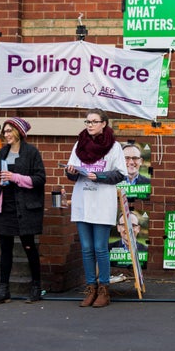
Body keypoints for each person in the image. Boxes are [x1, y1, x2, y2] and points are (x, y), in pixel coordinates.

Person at [65, 109, 127, 308]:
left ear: (104, 124)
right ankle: (90, 287)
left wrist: (99, 176)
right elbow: (71, 174)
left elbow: (120, 174)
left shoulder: (114, 147)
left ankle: (104, 289)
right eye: (87, 121)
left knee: (100, 248)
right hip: (83, 200)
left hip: (102, 201)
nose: (90, 125)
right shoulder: (79, 144)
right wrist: (72, 172)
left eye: (94, 121)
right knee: (86, 248)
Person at [0, 118, 46, 305]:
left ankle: (36, 286)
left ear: (19, 132)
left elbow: (40, 179)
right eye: (4, 132)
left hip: (25, 207)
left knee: (29, 247)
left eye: (9, 131)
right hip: (7, 206)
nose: (6, 135)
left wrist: (15, 177)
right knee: (5, 248)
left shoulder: (31, 152)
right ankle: (3, 289)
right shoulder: (3, 152)